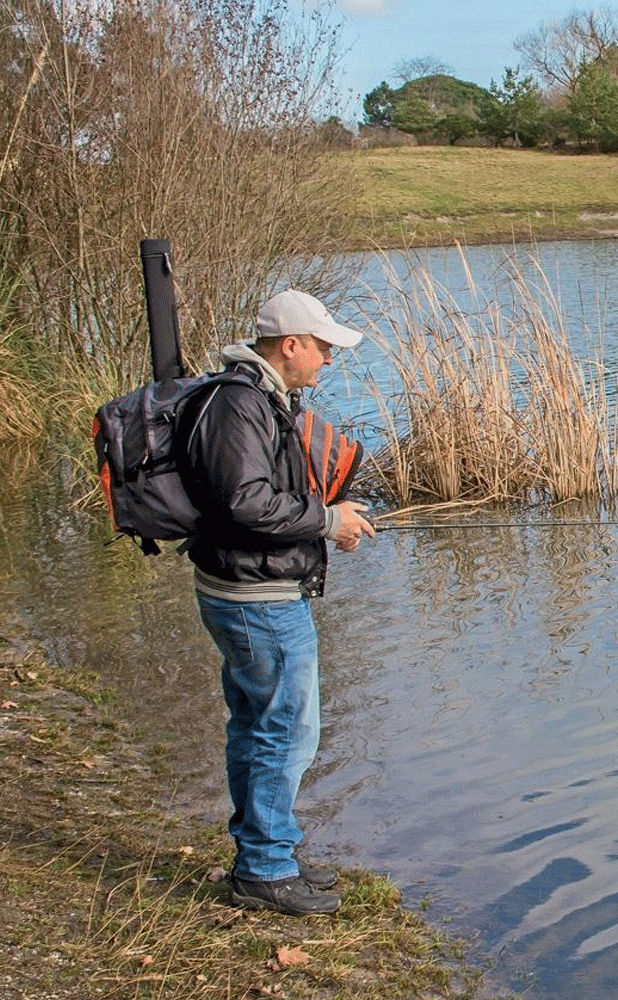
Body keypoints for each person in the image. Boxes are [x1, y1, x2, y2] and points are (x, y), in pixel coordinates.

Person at [179, 288, 376, 916]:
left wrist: (330, 522)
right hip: (256, 599)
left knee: (259, 725)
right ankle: (264, 868)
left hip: (247, 589)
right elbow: (246, 504)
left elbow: (258, 504)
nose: (328, 362)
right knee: (286, 730)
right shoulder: (242, 404)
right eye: (322, 349)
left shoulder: (258, 397)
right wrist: (327, 520)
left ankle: (267, 853)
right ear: (289, 345)